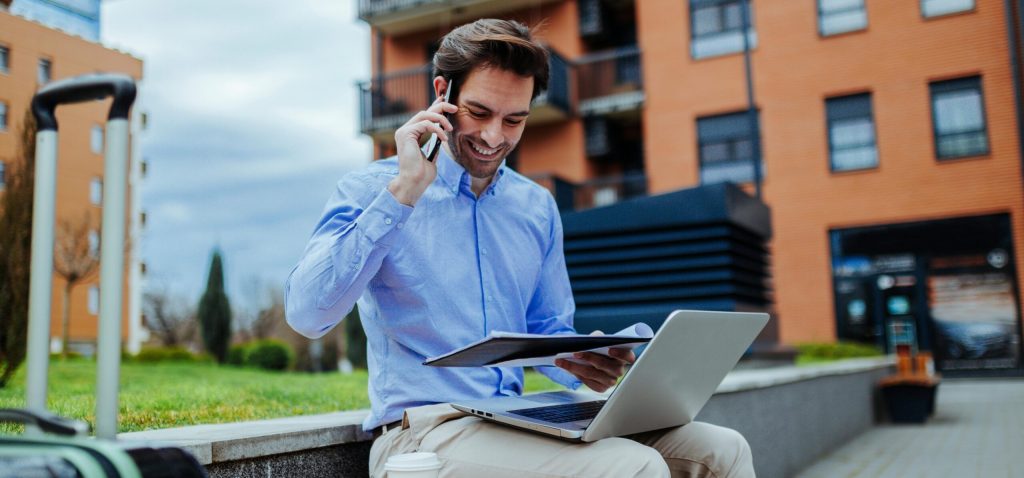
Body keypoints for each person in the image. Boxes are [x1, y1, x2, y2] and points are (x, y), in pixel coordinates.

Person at [285, 18, 755, 478]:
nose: (494, 137)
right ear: (442, 93)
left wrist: (584, 364)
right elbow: (307, 314)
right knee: (632, 467)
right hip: (424, 430)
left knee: (722, 450)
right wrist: (405, 191)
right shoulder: (374, 190)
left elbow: (546, 328)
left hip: (521, 418)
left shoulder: (535, 206)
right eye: (480, 113)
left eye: (515, 120)